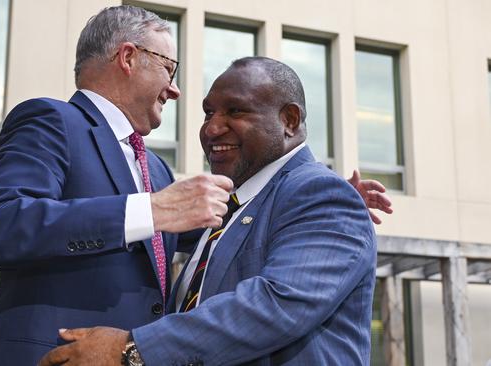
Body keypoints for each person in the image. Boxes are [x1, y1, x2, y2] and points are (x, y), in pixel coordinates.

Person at [38, 57, 381, 366]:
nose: (212, 129)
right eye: (208, 112)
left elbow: (275, 305)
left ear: (289, 120)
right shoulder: (233, 207)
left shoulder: (322, 195)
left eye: (235, 111)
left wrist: (131, 349)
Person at [0, 6, 234, 365]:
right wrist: (151, 210)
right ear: (128, 57)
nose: (175, 90)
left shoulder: (156, 169)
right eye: (169, 70)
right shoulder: (52, 120)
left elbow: (223, 234)